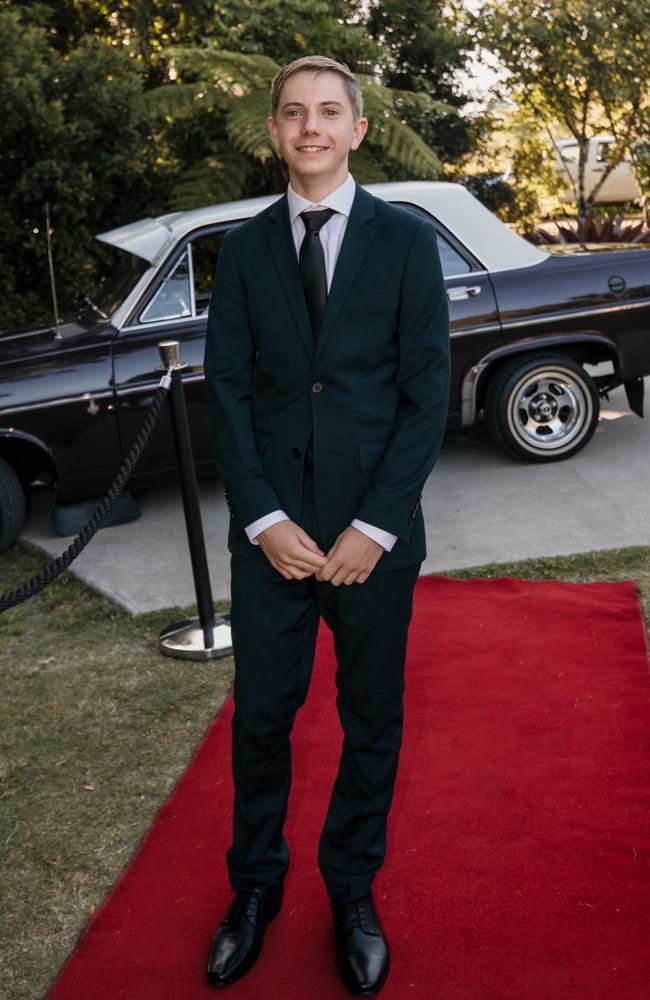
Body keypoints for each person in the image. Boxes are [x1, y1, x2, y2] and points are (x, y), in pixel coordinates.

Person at [203, 53, 450, 995]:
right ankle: (255, 889)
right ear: (275, 133)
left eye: (329, 112)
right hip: (272, 538)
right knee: (262, 719)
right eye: (294, 113)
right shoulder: (247, 247)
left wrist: (376, 528)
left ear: (357, 129)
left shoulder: (403, 242)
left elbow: (426, 396)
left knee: (370, 718)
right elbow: (227, 389)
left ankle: (352, 889)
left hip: (369, 542)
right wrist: (263, 516)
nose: (311, 126)